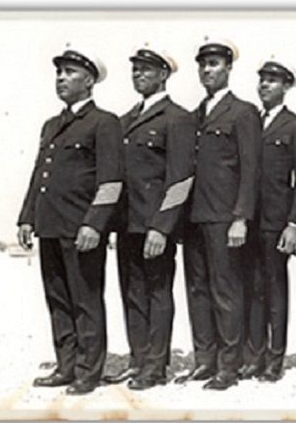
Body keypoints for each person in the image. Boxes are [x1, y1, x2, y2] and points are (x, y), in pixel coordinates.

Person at [17, 48, 123, 395]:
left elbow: (111, 181)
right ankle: (65, 366)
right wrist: (27, 217)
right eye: (59, 72)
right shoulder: (52, 124)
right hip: (50, 226)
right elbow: (40, 175)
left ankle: (88, 372)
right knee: (58, 299)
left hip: (81, 230)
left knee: (86, 300)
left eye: (70, 72)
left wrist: (94, 224)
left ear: (89, 80)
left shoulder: (103, 122)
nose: (61, 78)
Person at [102, 47, 196, 390]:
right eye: (135, 70)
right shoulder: (124, 120)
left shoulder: (177, 118)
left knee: (157, 293)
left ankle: (155, 367)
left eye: (146, 70)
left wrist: (162, 226)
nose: (138, 75)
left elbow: (180, 178)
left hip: (155, 226)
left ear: (163, 75)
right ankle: (137, 359)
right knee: (131, 292)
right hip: (127, 224)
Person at [175, 39, 262, 390]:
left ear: (228, 68)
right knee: (197, 289)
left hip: (224, 218)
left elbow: (250, 168)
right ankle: (205, 360)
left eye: (214, 64)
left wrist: (241, 217)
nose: (207, 70)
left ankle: (230, 365)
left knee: (226, 290)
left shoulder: (242, 112)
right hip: (194, 218)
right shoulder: (194, 115)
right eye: (203, 65)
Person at [241, 59, 296, 382]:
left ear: (286, 86)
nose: (265, 85)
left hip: (276, 222)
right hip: (248, 221)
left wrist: (294, 224)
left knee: (274, 288)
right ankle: (253, 356)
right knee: (251, 288)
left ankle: (275, 358)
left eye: (273, 81)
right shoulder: (250, 122)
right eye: (262, 80)